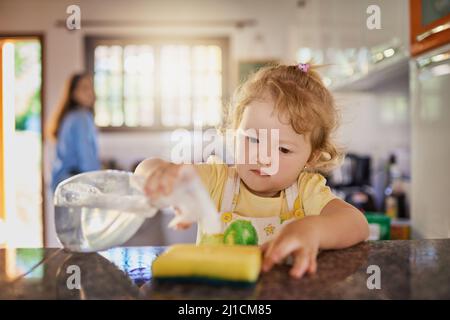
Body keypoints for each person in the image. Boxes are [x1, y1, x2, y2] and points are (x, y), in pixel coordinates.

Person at [135, 63, 369, 279]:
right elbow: (146, 170)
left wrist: (313, 229)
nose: (263, 157)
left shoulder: (306, 192)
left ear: (311, 157)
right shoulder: (217, 180)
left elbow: (357, 224)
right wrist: (161, 172)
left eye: (283, 149)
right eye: (253, 139)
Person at [47, 73, 101, 192]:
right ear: (73, 93)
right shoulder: (82, 117)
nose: (90, 92)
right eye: (84, 88)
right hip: (75, 184)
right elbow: (86, 157)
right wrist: (98, 183)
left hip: (61, 183)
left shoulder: (69, 117)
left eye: (91, 87)